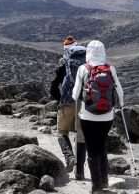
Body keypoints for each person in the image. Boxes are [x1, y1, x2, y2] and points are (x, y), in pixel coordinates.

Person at [72, 40, 124, 194]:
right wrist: (121, 103)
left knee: (92, 149)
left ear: (88, 52)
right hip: (107, 117)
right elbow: (120, 92)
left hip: (88, 116)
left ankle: (96, 186)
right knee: (102, 146)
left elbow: (75, 95)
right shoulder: (110, 68)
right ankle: (104, 180)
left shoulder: (83, 68)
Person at [50, 35, 87, 180]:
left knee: (62, 132)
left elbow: (54, 85)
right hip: (84, 103)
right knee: (81, 137)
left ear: (66, 49)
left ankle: (69, 156)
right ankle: (80, 172)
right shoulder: (88, 61)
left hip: (67, 101)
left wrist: (59, 100)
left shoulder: (63, 61)